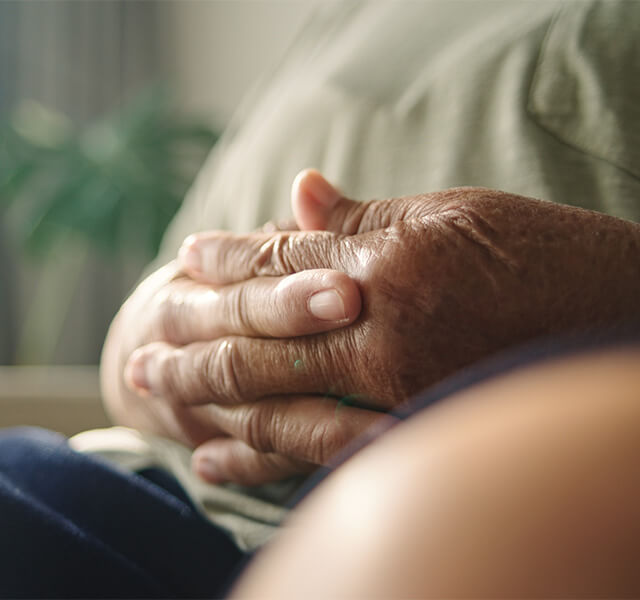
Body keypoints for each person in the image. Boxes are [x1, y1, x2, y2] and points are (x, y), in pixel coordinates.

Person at [1, 1, 639, 597]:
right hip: (94, 488)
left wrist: (604, 305)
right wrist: (162, 354)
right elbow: (153, 325)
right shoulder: (352, 16)